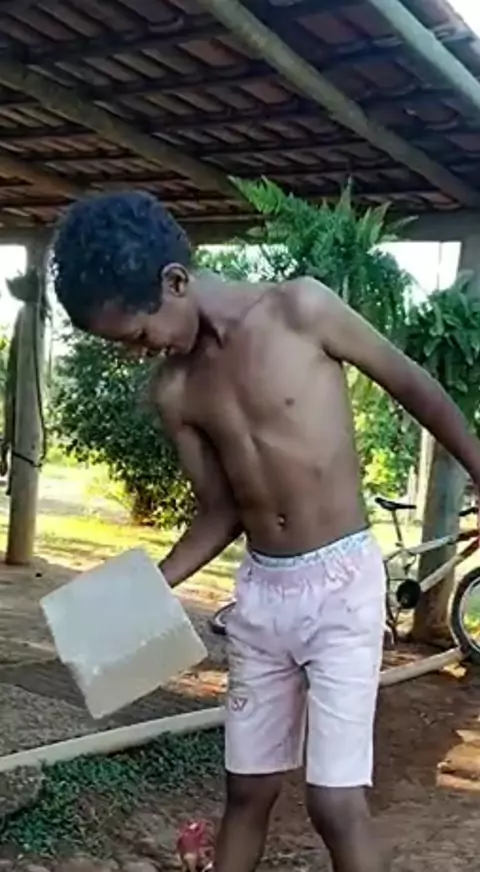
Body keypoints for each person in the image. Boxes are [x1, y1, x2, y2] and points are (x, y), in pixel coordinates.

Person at [52, 191, 480, 872]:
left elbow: (416, 387)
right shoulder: (175, 391)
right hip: (262, 596)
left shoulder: (301, 311)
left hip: (342, 586)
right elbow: (221, 510)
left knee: (335, 804)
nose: (138, 353)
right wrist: (143, 589)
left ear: (175, 281)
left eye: (138, 335)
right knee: (247, 793)